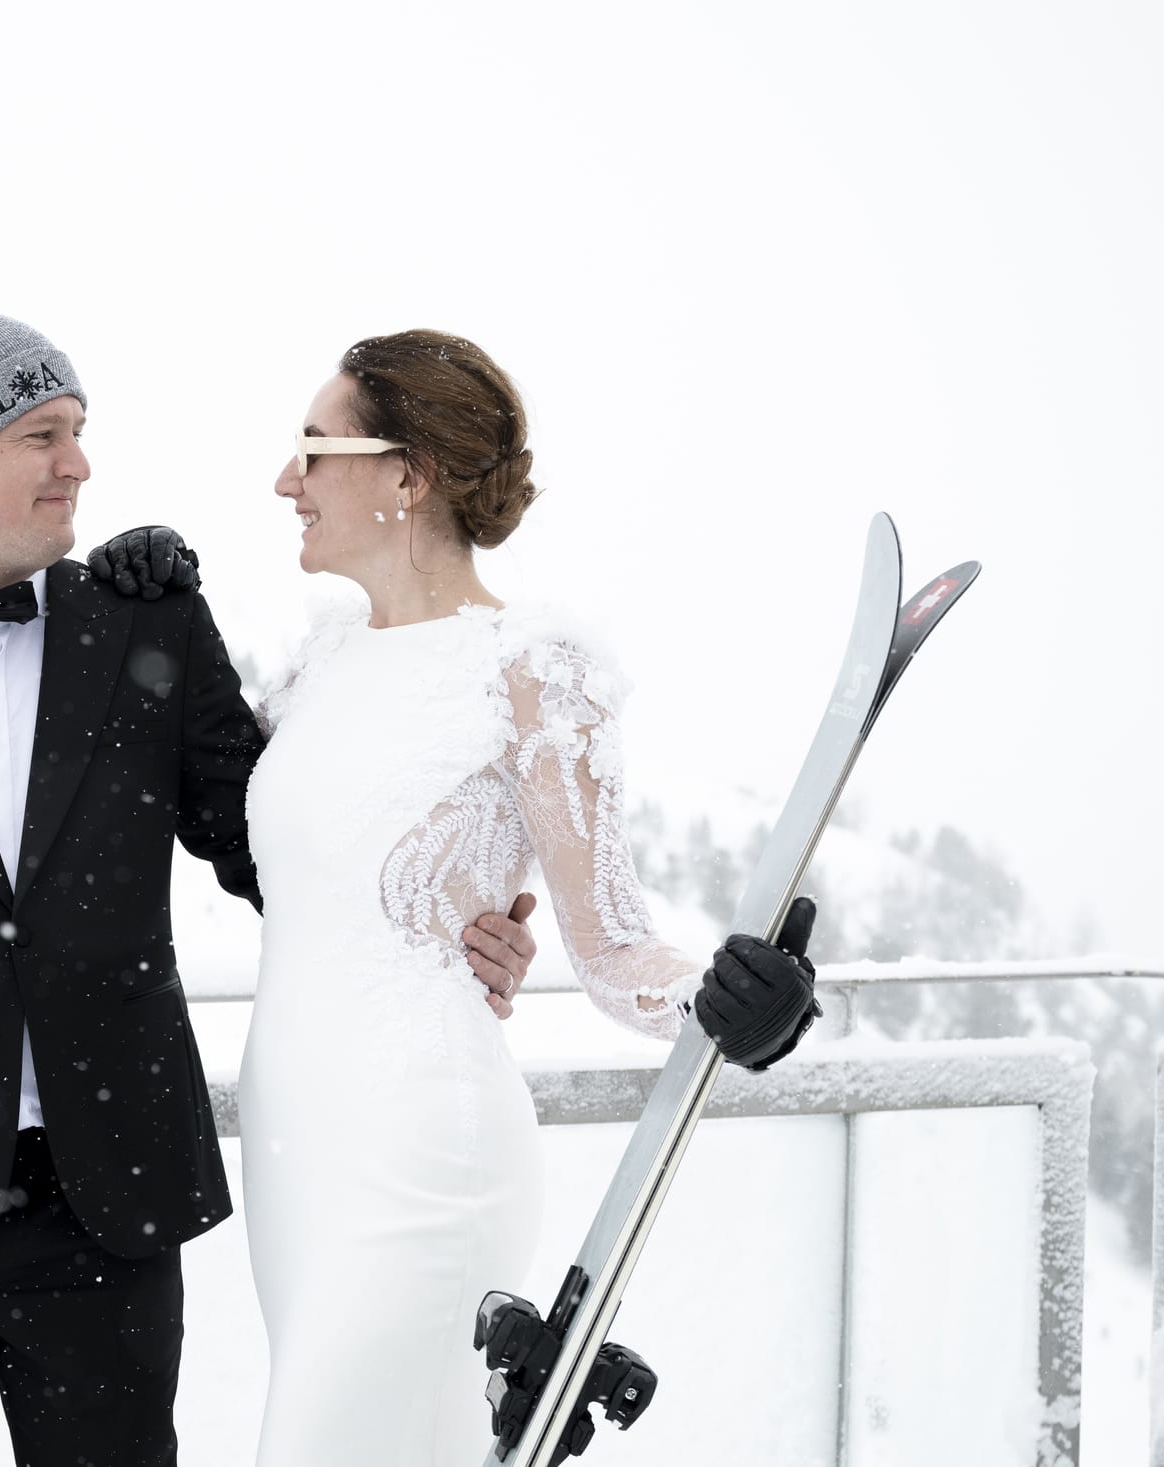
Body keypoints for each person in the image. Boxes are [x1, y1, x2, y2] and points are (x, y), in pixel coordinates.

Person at [0, 310, 543, 1465]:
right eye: (44, 435)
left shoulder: (143, 620)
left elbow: (280, 853)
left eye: (81, 431)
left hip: (108, 1200)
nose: (80, 463)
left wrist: (451, 924)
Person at [206, 328, 822, 1466]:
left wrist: (731, 999)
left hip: (418, 1149)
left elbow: (614, 948)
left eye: (312, 448)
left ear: (407, 473)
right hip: (295, 1157)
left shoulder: (532, 670)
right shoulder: (321, 664)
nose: (283, 480)